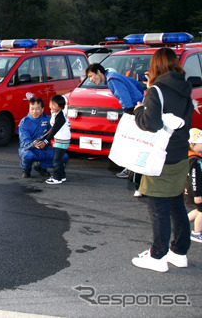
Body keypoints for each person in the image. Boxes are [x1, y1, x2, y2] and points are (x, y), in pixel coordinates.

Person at [131, 47, 193, 272]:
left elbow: (151, 123)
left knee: (158, 207)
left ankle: (157, 256)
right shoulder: (185, 88)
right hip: (180, 155)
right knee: (176, 205)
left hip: (160, 157)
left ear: (155, 66)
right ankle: (179, 252)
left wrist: (139, 110)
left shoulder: (156, 90)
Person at [86, 62, 146, 194]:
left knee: (131, 144)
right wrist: (140, 101)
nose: (91, 79)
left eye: (91, 76)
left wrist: (130, 112)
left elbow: (123, 97)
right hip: (140, 109)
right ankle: (131, 171)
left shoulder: (111, 79)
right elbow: (137, 85)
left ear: (98, 72)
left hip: (133, 112)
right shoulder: (115, 76)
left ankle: (134, 175)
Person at [18, 97, 53, 178]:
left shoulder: (48, 119)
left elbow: (54, 133)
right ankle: (26, 169)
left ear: (42, 109)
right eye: (32, 109)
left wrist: (45, 143)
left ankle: (42, 167)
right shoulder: (24, 122)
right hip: (29, 147)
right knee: (28, 156)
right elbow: (24, 141)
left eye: (37, 109)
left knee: (63, 156)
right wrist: (34, 144)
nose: (34, 111)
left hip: (44, 146)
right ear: (29, 109)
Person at [40, 95, 70, 185]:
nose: (51, 106)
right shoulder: (56, 113)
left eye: (54, 104)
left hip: (62, 140)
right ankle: (62, 176)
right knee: (59, 159)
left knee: (56, 160)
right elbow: (54, 128)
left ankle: (56, 178)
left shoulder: (61, 116)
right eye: (50, 104)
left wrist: (45, 141)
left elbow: (54, 130)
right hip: (60, 139)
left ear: (60, 106)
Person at [186, 128, 202, 244]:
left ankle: (182, 222)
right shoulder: (194, 160)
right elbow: (195, 177)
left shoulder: (195, 158)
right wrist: (197, 194)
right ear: (193, 144)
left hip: (195, 190)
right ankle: (197, 233)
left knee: (198, 210)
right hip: (196, 190)